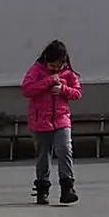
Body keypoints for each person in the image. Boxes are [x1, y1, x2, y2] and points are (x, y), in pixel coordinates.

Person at [21, 40, 82, 205]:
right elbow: (27, 89)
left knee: (65, 149)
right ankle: (42, 189)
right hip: (40, 120)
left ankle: (67, 187)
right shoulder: (36, 70)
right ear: (46, 59)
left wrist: (63, 89)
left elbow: (77, 93)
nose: (55, 69)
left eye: (58, 66)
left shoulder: (68, 74)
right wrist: (48, 82)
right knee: (43, 155)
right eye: (52, 65)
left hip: (61, 118)